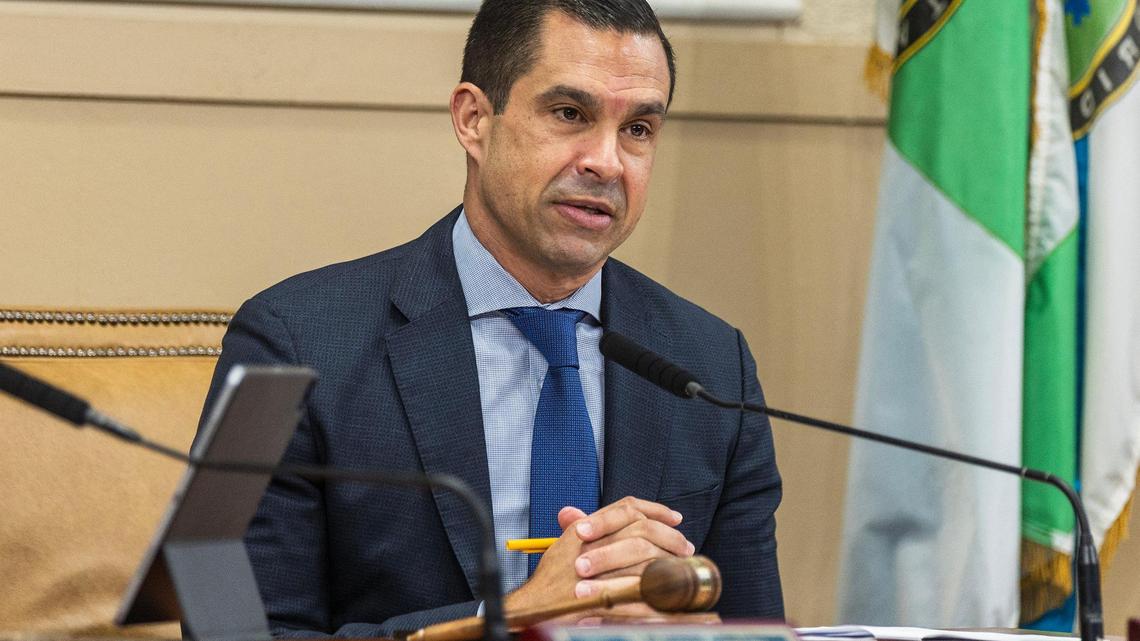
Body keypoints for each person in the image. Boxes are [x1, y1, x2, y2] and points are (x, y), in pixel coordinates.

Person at [200, 0, 783, 637]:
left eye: (639, 129)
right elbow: (228, 628)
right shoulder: (293, 341)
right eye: (570, 114)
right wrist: (511, 620)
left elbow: (750, 624)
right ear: (474, 120)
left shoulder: (710, 362)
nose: (607, 162)